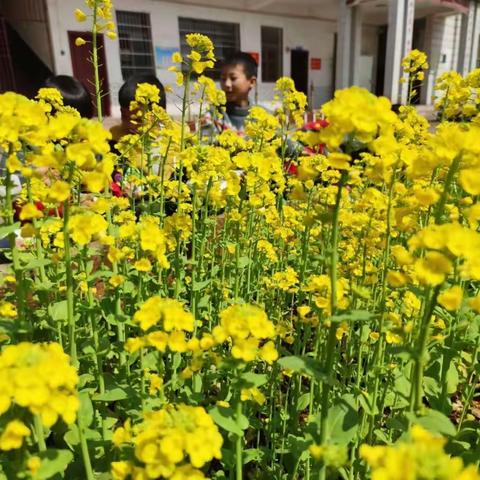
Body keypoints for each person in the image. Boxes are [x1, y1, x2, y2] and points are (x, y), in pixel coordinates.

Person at [203, 51, 258, 136]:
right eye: (223, 79)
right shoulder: (213, 115)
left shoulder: (264, 117)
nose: (227, 84)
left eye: (233, 78)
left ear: (252, 82)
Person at [110, 73, 166, 142]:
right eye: (124, 116)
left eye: (139, 120)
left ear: (160, 115)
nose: (130, 125)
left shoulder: (170, 144)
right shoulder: (113, 136)